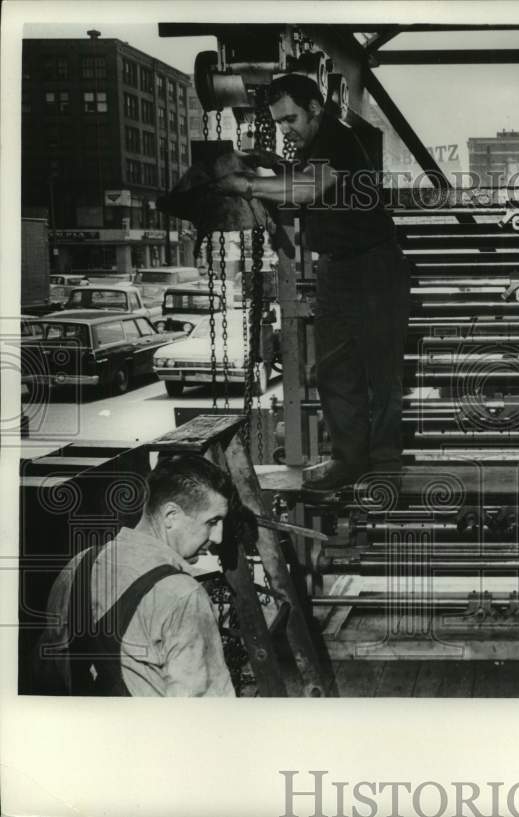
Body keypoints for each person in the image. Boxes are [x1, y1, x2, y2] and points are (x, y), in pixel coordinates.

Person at [213, 73, 411, 494]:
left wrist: (246, 184)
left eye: (291, 119)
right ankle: (349, 462)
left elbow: (309, 187)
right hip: (338, 269)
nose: (286, 129)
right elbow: (306, 177)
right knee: (335, 369)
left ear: (316, 108)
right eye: (279, 122)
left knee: (380, 371)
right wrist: (274, 162)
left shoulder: (336, 138)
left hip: (373, 267)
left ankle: (385, 466)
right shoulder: (317, 146)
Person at [35, 455, 236, 696]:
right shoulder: (183, 595)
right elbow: (204, 709)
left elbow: (46, 673)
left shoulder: (78, 565)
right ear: (171, 516)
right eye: (212, 521)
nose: (218, 537)